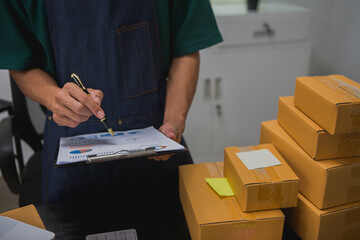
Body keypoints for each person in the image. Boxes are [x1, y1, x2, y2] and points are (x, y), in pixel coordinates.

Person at [0, 0, 222, 225]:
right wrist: (53, 97)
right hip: (72, 147)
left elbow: (186, 47)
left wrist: (174, 121)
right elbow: (21, 61)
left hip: (158, 141)